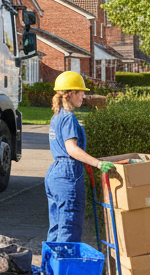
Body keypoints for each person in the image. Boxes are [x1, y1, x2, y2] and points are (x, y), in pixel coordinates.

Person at [45, 71, 115, 244]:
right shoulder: (68, 118)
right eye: (80, 91)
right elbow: (72, 149)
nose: (84, 95)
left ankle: (50, 270)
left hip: (55, 174)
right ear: (70, 94)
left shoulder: (57, 116)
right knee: (68, 228)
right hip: (68, 174)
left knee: (56, 228)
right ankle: (64, 270)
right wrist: (97, 163)